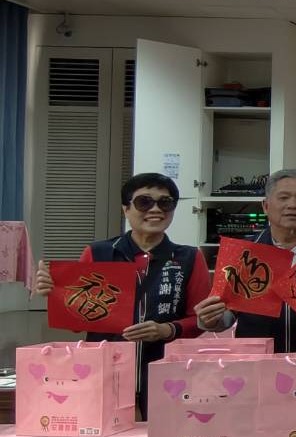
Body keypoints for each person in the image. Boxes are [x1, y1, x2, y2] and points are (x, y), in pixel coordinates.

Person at [34, 173, 210, 420]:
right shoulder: (98, 253)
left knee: (163, 431)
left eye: (165, 203)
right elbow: (77, 322)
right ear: (126, 209)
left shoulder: (189, 257)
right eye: (144, 202)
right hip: (106, 366)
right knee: (102, 431)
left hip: (166, 368)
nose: (155, 210)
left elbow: (200, 320)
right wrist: (55, 294)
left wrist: (167, 330)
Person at [195, 168, 296, 353]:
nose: (292, 205)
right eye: (283, 197)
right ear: (266, 206)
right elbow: (224, 318)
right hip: (255, 361)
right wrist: (209, 318)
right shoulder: (242, 253)